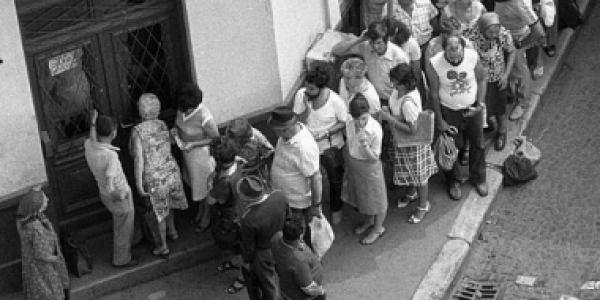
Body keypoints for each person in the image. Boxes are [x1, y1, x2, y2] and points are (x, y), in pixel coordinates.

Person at [426, 34, 489, 201]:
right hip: (449, 111)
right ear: (444, 49)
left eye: (458, 55)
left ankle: (479, 177)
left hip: (472, 108)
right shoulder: (435, 64)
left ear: (463, 48)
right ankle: (453, 181)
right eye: (451, 56)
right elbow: (433, 92)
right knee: (451, 147)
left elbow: (482, 79)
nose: (455, 59)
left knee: (478, 144)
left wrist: (480, 105)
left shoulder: (472, 56)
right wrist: (440, 120)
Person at [130, 93, 188, 258]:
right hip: (170, 170)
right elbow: (169, 143)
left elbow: (139, 159)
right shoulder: (162, 124)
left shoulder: (137, 131)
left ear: (141, 112)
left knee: (159, 212)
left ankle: (162, 246)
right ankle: (173, 231)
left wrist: (138, 183)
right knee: (169, 203)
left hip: (154, 177)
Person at [380, 64, 438, 223]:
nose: (392, 85)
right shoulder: (400, 93)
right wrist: (389, 112)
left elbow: (412, 128)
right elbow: (401, 115)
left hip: (413, 144)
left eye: (395, 82)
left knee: (420, 176)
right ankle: (411, 192)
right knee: (410, 171)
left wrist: (390, 119)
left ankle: (422, 205)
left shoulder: (408, 103)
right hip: (402, 142)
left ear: (404, 83)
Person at [292, 66, 348, 225]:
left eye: (311, 88)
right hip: (308, 146)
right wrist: (306, 107)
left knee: (335, 178)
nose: (307, 91)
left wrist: (326, 133)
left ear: (322, 88)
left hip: (330, 146)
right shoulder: (302, 95)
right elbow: (298, 119)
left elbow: (343, 122)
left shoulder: (335, 101)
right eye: (307, 87)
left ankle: (337, 208)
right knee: (308, 176)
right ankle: (313, 207)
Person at [85, 109, 138, 267]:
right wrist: (120, 195)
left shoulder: (89, 145)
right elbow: (110, 185)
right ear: (113, 133)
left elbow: (93, 137)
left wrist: (93, 122)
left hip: (103, 194)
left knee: (123, 225)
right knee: (123, 228)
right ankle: (122, 259)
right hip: (117, 196)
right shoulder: (110, 156)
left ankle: (132, 242)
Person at [269, 106, 322, 247]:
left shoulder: (304, 147)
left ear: (285, 129)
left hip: (297, 203)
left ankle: (307, 260)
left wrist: (316, 205)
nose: (274, 132)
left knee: (300, 234)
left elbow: (316, 178)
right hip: (285, 198)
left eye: (276, 129)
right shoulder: (285, 137)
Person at [172, 82, 219, 232]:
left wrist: (194, 144)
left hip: (201, 158)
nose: (184, 111)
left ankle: (206, 217)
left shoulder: (204, 116)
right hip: (188, 156)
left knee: (204, 188)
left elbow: (216, 139)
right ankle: (200, 211)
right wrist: (174, 131)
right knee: (195, 185)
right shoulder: (181, 110)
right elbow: (177, 125)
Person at [342, 95, 388, 244]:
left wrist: (365, 145)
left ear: (368, 112)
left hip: (369, 167)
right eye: (357, 119)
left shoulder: (375, 129)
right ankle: (369, 220)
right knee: (363, 197)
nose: (359, 123)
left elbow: (375, 157)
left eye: (363, 118)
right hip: (355, 164)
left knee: (377, 199)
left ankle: (378, 228)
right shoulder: (350, 122)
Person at [469, 13, 517, 151]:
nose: (494, 35)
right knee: (483, 105)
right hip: (480, 80)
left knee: (500, 106)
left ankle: (502, 130)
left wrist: (506, 75)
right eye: (490, 32)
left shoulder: (502, 34)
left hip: (498, 77)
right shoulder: (472, 39)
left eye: (496, 31)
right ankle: (488, 123)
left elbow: (512, 52)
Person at [331, 20, 410, 104]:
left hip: (392, 101)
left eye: (379, 43)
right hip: (372, 97)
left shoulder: (400, 57)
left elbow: (406, 85)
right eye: (372, 43)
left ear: (386, 40)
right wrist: (359, 39)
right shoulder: (366, 47)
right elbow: (337, 50)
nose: (375, 47)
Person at [206, 137, 246, 294]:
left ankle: (242, 277)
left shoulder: (224, 182)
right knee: (235, 245)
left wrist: (209, 183)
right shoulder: (238, 162)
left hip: (229, 218)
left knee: (239, 247)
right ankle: (230, 262)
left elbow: (210, 200)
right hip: (239, 210)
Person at [239, 175, 290, 300]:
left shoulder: (248, 219)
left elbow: (249, 245)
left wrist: (246, 261)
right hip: (282, 242)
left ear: (246, 198)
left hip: (264, 252)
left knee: (270, 284)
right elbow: (289, 218)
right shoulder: (280, 196)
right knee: (285, 273)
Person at [493, 0, 546, 121]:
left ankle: (523, 101)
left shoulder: (520, 4)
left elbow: (539, 32)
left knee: (519, 72)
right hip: (502, 34)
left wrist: (520, 45)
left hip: (515, 37)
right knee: (507, 68)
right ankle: (511, 93)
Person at [16, 188, 69, 300]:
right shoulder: (36, 228)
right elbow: (41, 254)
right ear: (36, 205)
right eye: (44, 199)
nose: (47, 200)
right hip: (45, 270)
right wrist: (56, 259)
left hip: (33, 268)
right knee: (51, 294)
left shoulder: (23, 222)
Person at [271, 214, 326, 300]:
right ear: (300, 236)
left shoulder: (276, 238)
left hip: (287, 288)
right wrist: (320, 292)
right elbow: (309, 287)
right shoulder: (299, 262)